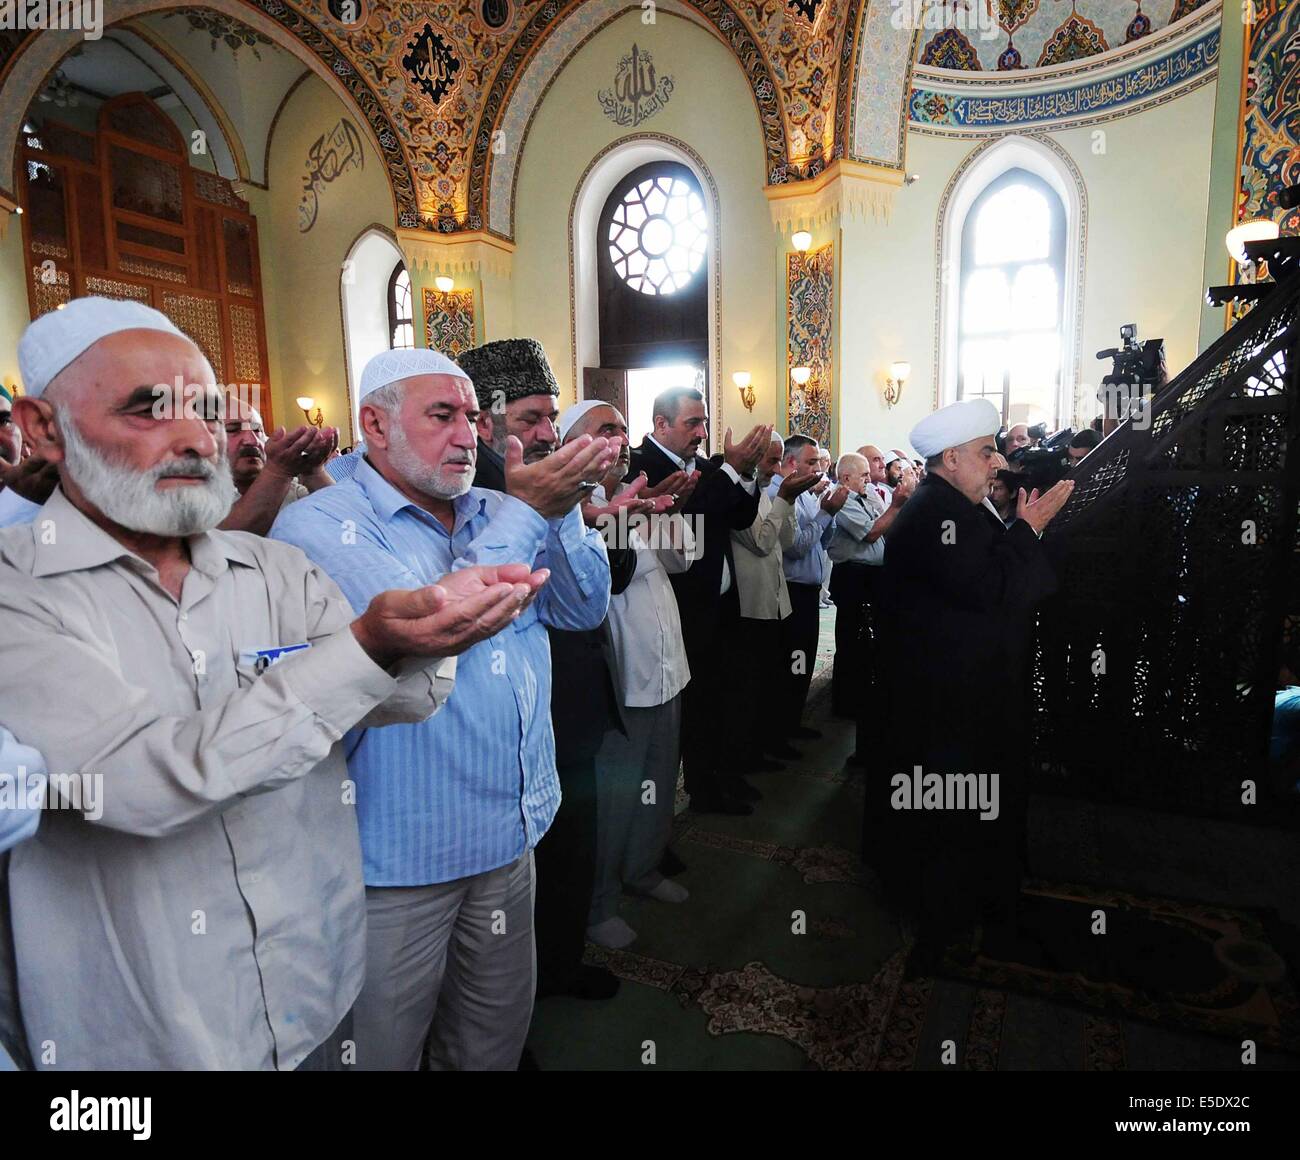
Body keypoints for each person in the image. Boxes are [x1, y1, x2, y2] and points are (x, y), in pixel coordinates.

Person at [0, 298, 538, 1070]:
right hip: (146, 1031)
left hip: (313, 980)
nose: (193, 437)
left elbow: (409, 699)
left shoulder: (273, 568)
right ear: (44, 427)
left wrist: (435, 626)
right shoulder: (17, 593)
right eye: (150, 409)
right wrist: (367, 643)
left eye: (208, 412)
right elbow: (145, 785)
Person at [271, 346, 615, 1071]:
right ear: (374, 424)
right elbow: (433, 628)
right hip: (400, 860)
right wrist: (528, 513)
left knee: (489, 1041)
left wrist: (565, 510)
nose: (468, 434)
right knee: (380, 1053)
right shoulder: (323, 526)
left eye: (470, 416)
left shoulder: (496, 508)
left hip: (510, 835)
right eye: (442, 415)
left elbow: (583, 608)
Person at [868, 397, 1073, 970]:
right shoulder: (940, 515)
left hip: (964, 690)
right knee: (950, 811)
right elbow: (987, 589)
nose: (998, 464)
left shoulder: (958, 505)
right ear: (951, 458)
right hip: (945, 701)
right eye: (987, 453)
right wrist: (1029, 530)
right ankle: (945, 918)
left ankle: (972, 896)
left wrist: (1023, 531)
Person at [566, 401, 693, 949]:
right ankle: (597, 906)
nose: (617, 439)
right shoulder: (570, 506)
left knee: (659, 780)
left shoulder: (640, 497)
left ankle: (643, 870)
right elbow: (598, 588)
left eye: (621, 429)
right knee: (615, 796)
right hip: (623, 671)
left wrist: (659, 512)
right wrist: (616, 517)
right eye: (604, 431)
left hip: (669, 662)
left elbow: (682, 561)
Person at [628, 387, 769, 816]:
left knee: (717, 699)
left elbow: (739, 516)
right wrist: (730, 471)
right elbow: (691, 518)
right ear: (660, 425)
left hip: (718, 605)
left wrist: (746, 475)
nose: (702, 432)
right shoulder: (640, 468)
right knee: (685, 715)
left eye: (705, 422)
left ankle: (714, 783)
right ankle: (677, 806)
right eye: (693, 423)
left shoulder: (706, 468)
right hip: (680, 610)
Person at [730, 433, 819, 779]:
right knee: (748, 691)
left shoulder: (767, 492)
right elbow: (762, 541)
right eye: (770, 460)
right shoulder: (742, 494)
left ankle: (763, 746)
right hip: (750, 605)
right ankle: (743, 759)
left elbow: (785, 538)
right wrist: (784, 496)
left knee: (770, 683)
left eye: (779, 460)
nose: (776, 467)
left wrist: (790, 502)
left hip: (775, 601)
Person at [769, 435, 848, 744]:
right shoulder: (782, 494)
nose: (820, 468)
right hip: (791, 591)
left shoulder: (803, 494)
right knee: (790, 663)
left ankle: (792, 722)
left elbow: (821, 545)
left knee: (803, 662)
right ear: (791, 463)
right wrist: (826, 512)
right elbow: (797, 547)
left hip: (808, 591)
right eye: (812, 462)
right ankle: (779, 733)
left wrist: (830, 511)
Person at [220, 397, 336, 535]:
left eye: (257, 430)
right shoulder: (199, 492)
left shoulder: (292, 489)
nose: (252, 441)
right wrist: (278, 471)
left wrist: (314, 471)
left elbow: (346, 520)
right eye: (233, 430)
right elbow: (227, 537)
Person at [463, 338, 562, 489]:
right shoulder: (465, 491)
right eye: (530, 420)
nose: (550, 435)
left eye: (552, 419)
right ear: (483, 425)